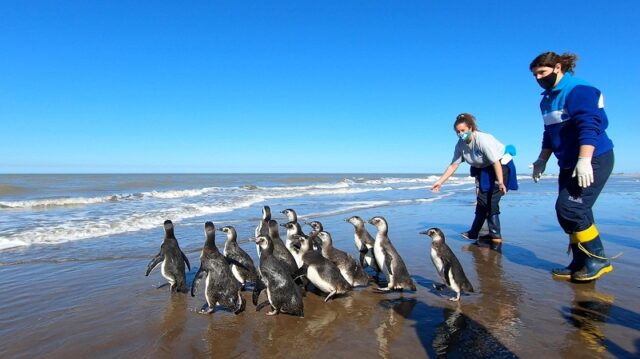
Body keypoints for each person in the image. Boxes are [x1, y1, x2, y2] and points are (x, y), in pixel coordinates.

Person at [529, 51, 615, 281]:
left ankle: (598, 259)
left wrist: (585, 159)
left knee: (571, 209)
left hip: (594, 158)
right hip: (568, 163)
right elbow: (549, 133)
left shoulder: (578, 90)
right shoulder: (546, 100)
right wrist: (541, 160)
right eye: (534, 74)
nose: (538, 78)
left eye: (542, 72)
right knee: (568, 212)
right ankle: (580, 261)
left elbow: (590, 125)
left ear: (558, 68)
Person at [432, 113, 518, 249]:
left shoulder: (483, 140)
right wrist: (440, 181)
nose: (460, 134)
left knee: (490, 201)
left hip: (500, 167)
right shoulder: (460, 144)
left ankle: (492, 235)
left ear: (471, 128)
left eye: (463, 130)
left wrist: (501, 182)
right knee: (483, 201)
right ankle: (480, 233)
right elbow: (454, 164)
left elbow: (496, 162)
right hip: (484, 170)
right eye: (458, 132)